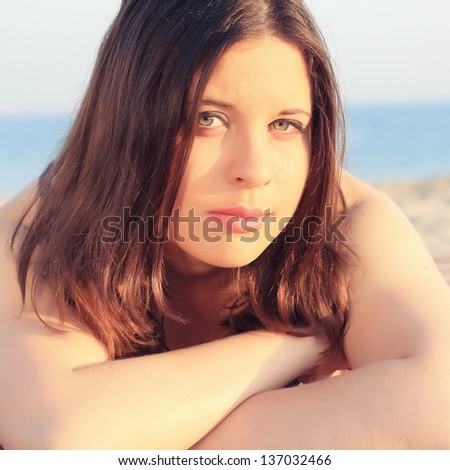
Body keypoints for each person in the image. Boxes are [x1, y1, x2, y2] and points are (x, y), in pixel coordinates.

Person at [0, 0, 449, 450]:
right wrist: (298, 343)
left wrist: (148, 433)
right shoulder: (39, 230)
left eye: (285, 124)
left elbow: (437, 403)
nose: (254, 170)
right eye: (207, 119)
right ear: (129, 120)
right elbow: (58, 436)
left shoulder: (345, 221)